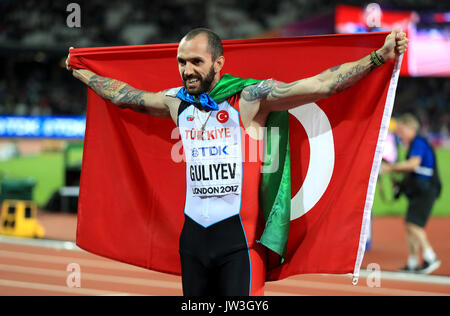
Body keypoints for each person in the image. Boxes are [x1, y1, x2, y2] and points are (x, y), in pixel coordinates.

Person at [66, 28, 408, 295]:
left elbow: (320, 85)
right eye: (181, 61)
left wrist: (378, 57)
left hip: (239, 244)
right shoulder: (176, 103)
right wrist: (82, 73)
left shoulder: (247, 99)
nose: (187, 70)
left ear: (218, 63)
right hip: (193, 241)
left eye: (195, 62)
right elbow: (127, 98)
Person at [382, 113, 441, 274]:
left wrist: (390, 168)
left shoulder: (419, 142)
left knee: (414, 224)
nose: (399, 134)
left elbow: (413, 165)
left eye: (401, 130)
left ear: (411, 128)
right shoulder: (413, 145)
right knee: (409, 224)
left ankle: (430, 257)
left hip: (426, 190)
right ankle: (413, 262)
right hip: (420, 190)